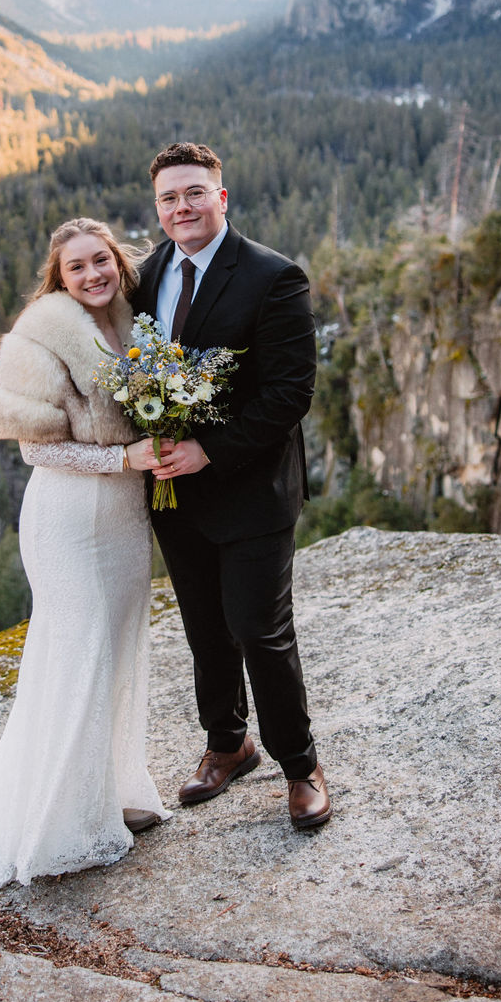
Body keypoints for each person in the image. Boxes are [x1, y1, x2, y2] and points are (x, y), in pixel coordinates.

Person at [0, 218, 169, 892]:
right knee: (78, 648)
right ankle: (57, 818)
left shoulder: (130, 317)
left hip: (123, 513)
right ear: (57, 278)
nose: (92, 275)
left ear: (118, 262)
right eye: (76, 268)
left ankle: (107, 790)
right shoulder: (39, 334)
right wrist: (125, 455)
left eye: (101, 261)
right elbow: (34, 446)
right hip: (69, 515)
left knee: (116, 645)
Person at [132, 142, 331, 830]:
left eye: (193, 193)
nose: (181, 207)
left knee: (259, 630)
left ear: (222, 197)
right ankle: (227, 743)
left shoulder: (274, 276)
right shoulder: (145, 273)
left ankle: (301, 765)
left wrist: (206, 451)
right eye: (168, 198)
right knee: (204, 630)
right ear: (156, 208)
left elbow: (289, 395)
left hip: (250, 491)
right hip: (174, 498)